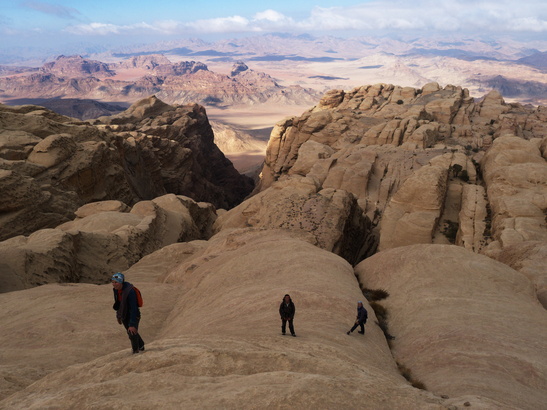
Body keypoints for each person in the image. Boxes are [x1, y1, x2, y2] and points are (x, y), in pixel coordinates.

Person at [111, 272, 145, 354]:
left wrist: (132, 324)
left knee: (132, 332)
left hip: (133, 314)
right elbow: (118, 303)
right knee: (130, 331)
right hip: (124, 314)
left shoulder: (130, 292)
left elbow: (134, 308)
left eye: (116, 282)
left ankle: (136, 351)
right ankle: (141, 346)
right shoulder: (117, 290)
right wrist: (118, 316)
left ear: (121, 282)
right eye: (112, 282)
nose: (114, 284)